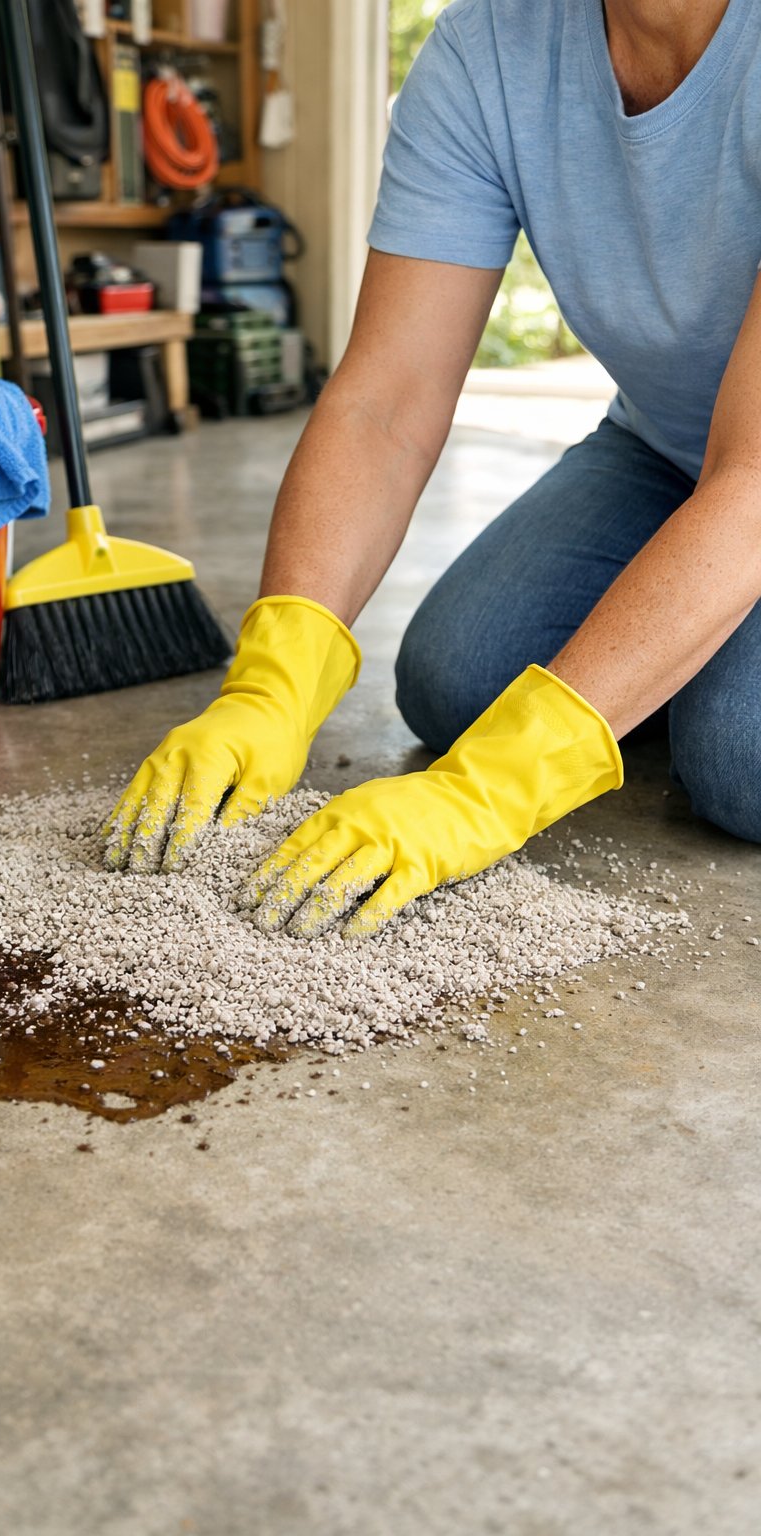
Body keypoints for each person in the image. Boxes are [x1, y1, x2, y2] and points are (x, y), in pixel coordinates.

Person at [106, 0, 761, 936]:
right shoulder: (490, 48)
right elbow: (387, 397)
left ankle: (694, 664)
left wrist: (496, 786)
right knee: (459, 681)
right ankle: (680, 648)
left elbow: (754, 485)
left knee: (741, 758)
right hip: (665, 445)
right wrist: (271, 684)